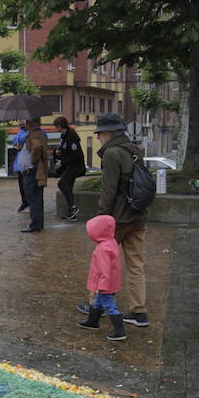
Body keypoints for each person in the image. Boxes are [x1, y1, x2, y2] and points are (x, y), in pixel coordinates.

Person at [88, 112, 149, 327]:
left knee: (102, 264)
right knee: (136, 265)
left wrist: (101, 217)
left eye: (100, 132)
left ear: (110, 132)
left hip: (117, 219)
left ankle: (97, 306)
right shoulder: (135, 150)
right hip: (138, 215)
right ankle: (139, 312)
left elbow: (109, 190)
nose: (98, 137)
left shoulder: (113, 153)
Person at [77, 215, 126, 340]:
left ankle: (120, 332)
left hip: (105, 285)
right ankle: (92, 322)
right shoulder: (111, 241)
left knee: (110, 306)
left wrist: (102, 286)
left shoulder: (102, 249)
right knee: (98, 303)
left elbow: (104, 270)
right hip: (111, 283)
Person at [53, 116, 86, 221]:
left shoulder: (71, 136)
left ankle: (73, 207)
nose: (55, 129)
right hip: (70, 165)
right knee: (68, 186)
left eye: (56, 126)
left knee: (62, 183)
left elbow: (75, 154)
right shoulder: (64, 136)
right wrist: (58, 152)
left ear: (59, 126)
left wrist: (62, 162)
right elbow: (64, 148)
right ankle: (71, 213)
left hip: (75, 165)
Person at [20, 118, 49, 233]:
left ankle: (35, 225)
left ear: (31, 123)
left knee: (33, 198)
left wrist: (32, 161)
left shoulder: (35, 134)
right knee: (36, 198)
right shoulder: (35, 134)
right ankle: (37, 224)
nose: (25, 124)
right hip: (32, 172)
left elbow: (37, 147)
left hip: (32, 172)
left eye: (27, 122)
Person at [12, 124, 29, 212]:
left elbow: (20, 140)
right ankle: (25, 202)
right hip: (20, 164)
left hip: (29, 164)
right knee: (22, 186)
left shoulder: (32, 132)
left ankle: (29, 202)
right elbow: (15, 141)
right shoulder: (21, 131)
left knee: (28, 185)